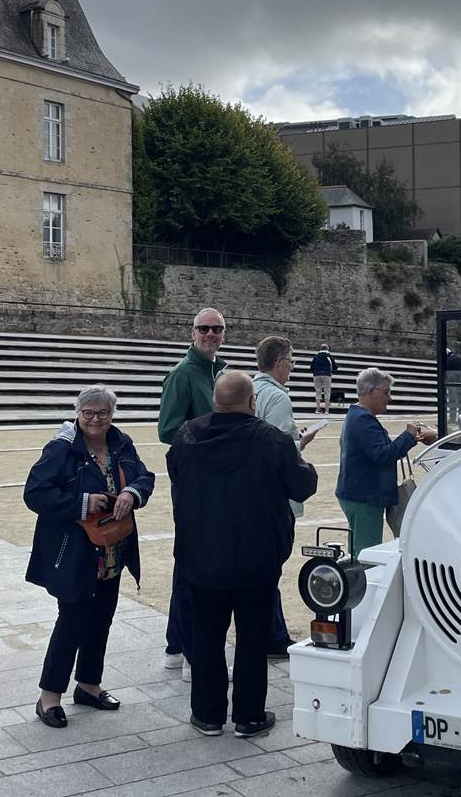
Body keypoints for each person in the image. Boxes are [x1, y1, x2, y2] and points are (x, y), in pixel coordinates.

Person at [167, 372, 318, 738]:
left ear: (216, 401)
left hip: (201, 557)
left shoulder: (187, 437)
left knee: (206, 637)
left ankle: (207, 714)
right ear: (252, 403)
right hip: (256, 558)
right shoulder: (272, 440)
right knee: (252, 639)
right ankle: (248, 716)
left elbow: (175, 473)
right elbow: (303, 484)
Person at [24, 384, 154, 729]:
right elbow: (35, 493)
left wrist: (132, 491)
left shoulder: (121, 442)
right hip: (75, 552)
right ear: (78, 413)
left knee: (101, 619)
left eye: (103, 413)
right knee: (71, 622)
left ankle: (88, 685)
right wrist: (81, 503)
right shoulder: (61, 449)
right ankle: (49, 696)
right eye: (89, 413)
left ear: (112, 415)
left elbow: (145, 476)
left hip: (112, 548)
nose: (96, 419)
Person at [157, 307, 227, 675]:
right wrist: (213, 433)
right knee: (191, 561)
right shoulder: (183, 375)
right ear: (192, 332)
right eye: (205, 328)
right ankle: (185, 647)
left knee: (198, 560)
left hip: (216, 481)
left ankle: (176, 642)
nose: (211, 334)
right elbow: (167, 429)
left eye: (217, 329)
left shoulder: (220, 372)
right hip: (194, 481)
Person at [252, 336, 319, 659]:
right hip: (274, 496)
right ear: (278, 362)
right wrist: (301, 443)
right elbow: (277, 450)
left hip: (256, 492)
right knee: (271, 567)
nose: (293, 366)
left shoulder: (255, 390)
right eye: (291, 360)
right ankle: (272, 636)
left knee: (263, 569)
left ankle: (273, 631)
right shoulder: (278, 398)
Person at [335, 367, 437, 557]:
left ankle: (357, 582)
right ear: (369, 391)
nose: (389, 397)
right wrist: (408, 436)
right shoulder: (363, 419)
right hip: (364, 496)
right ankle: (364, 585)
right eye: (385, 392)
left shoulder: (357, 416)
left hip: (357, 493)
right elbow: (382, 454)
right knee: (368, 553)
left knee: (359, 549)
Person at [309, 343, 338, 414]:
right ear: (327, 349)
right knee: (327, 391)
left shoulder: (316, 357)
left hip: (316, 375)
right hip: (327, 375)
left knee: (318, 391)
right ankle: (326, 410)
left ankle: (317, 409)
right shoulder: (329, 356)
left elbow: (311, 367)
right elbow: (335, 367)